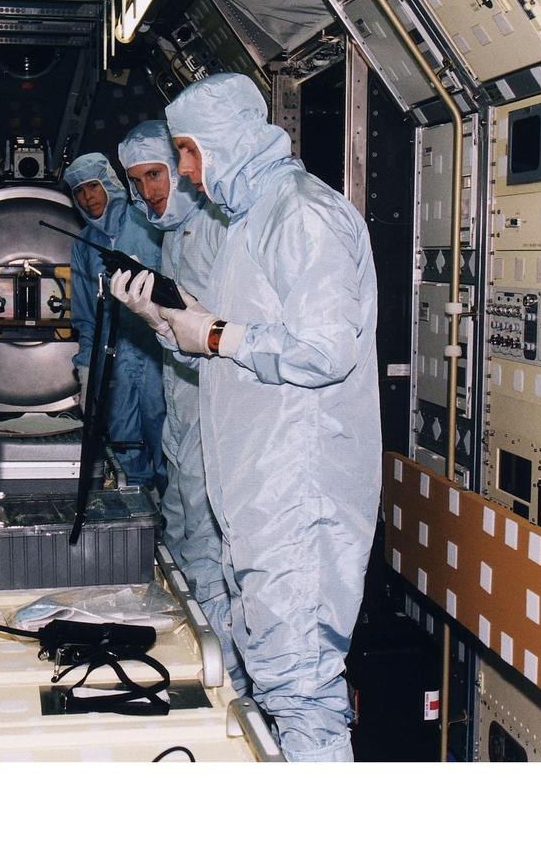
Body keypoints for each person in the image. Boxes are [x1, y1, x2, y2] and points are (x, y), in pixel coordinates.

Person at [117, 74, 381, 762]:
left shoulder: (301, 216)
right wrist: (173, 327)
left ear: (224, 141)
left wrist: (214, 335)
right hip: (260, 491)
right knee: (272, 678)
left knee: (303, 694)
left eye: (189, 154)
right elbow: (240, 346)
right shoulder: (250, 224)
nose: (186, 174)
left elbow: (325, 350)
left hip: (299, 493)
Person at [113, 121, 247, 695]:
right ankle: (209, 673)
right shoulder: (174, 235)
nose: (149, 191)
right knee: (189, 537)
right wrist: (160, 320)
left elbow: (232, 341)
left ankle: (229, 692)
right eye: (137, 181)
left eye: (156, 174)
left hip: (219, 423)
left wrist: (177, 326)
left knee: (216, 555)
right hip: (185, 416)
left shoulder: (218, 229)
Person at [63, 153, 166, 494]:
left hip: (160, 356)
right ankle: (138, 520)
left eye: (93, 186)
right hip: (115, 363)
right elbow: (85, 318)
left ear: (108, 183)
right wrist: (86, 374)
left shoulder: (150, 224)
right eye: (79, 191)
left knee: (169, 441)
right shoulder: (83, 246)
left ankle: (176, 530)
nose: (87, 197)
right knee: (123, 444)